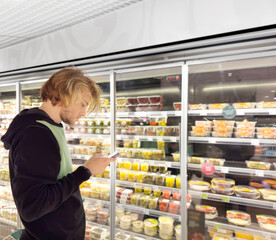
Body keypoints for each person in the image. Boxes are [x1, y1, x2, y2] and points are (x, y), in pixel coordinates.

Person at [1, 67, 116, 240]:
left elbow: (52, 182)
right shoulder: (36, 134)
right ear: (64, 95)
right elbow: (33, 206)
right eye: (83, 104)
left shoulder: (50, 126)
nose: (84, 113)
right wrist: (85, 171)